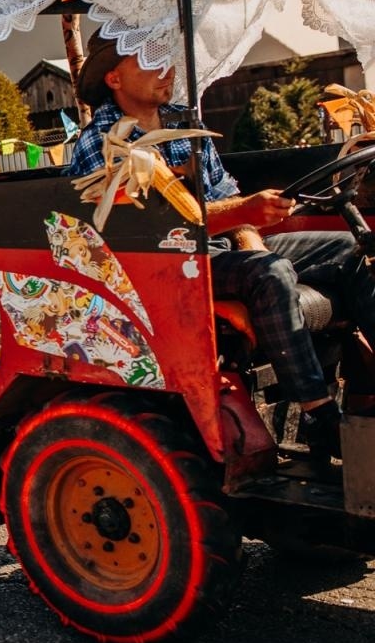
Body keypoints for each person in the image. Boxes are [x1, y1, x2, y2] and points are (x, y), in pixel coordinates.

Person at [66, 33, 375, 458]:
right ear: (114, 78)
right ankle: (318, 416)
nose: (166, 69)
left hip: (221, 249)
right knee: (270, 273)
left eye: (166, 58)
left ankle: (367, 392)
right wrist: (243, 219)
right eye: (149, 60)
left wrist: (249, 237)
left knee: (348, 249)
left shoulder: (182, 122)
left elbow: (223, 192)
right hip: (164, 266)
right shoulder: (101, 141)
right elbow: (144, 229)